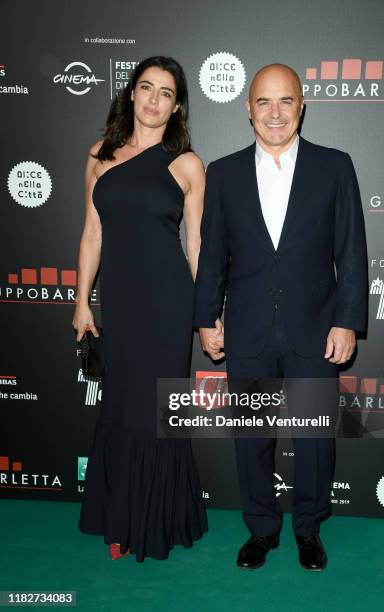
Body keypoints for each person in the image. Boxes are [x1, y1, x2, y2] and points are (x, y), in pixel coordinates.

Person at [194, 64, 368, 571]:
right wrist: (206, 317)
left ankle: (309, 530)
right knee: (252, 437)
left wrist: (346, 320)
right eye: (264, 102)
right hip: (247, 328)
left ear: (302, 106)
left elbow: (351, 250)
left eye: (285, 101)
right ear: (248, 108)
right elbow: (212, 256)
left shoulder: (335, 166)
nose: (275, 113)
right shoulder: (222, 172)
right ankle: (261, 530)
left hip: (315, 328)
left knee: (315, 438)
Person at [72, 56, 208, 562]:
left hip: (168, 304)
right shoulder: (99, 154)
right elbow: (92, 233)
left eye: (166, 93)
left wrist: (206, 316)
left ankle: (157, 521)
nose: (154, 99)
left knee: (158, 412)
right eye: (146, 88)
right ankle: (119, 519)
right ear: (130, 94)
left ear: (176, 107)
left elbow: (196, 247)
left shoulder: (187, 164)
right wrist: (82, 301)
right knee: (122, 405)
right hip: (121, 303)